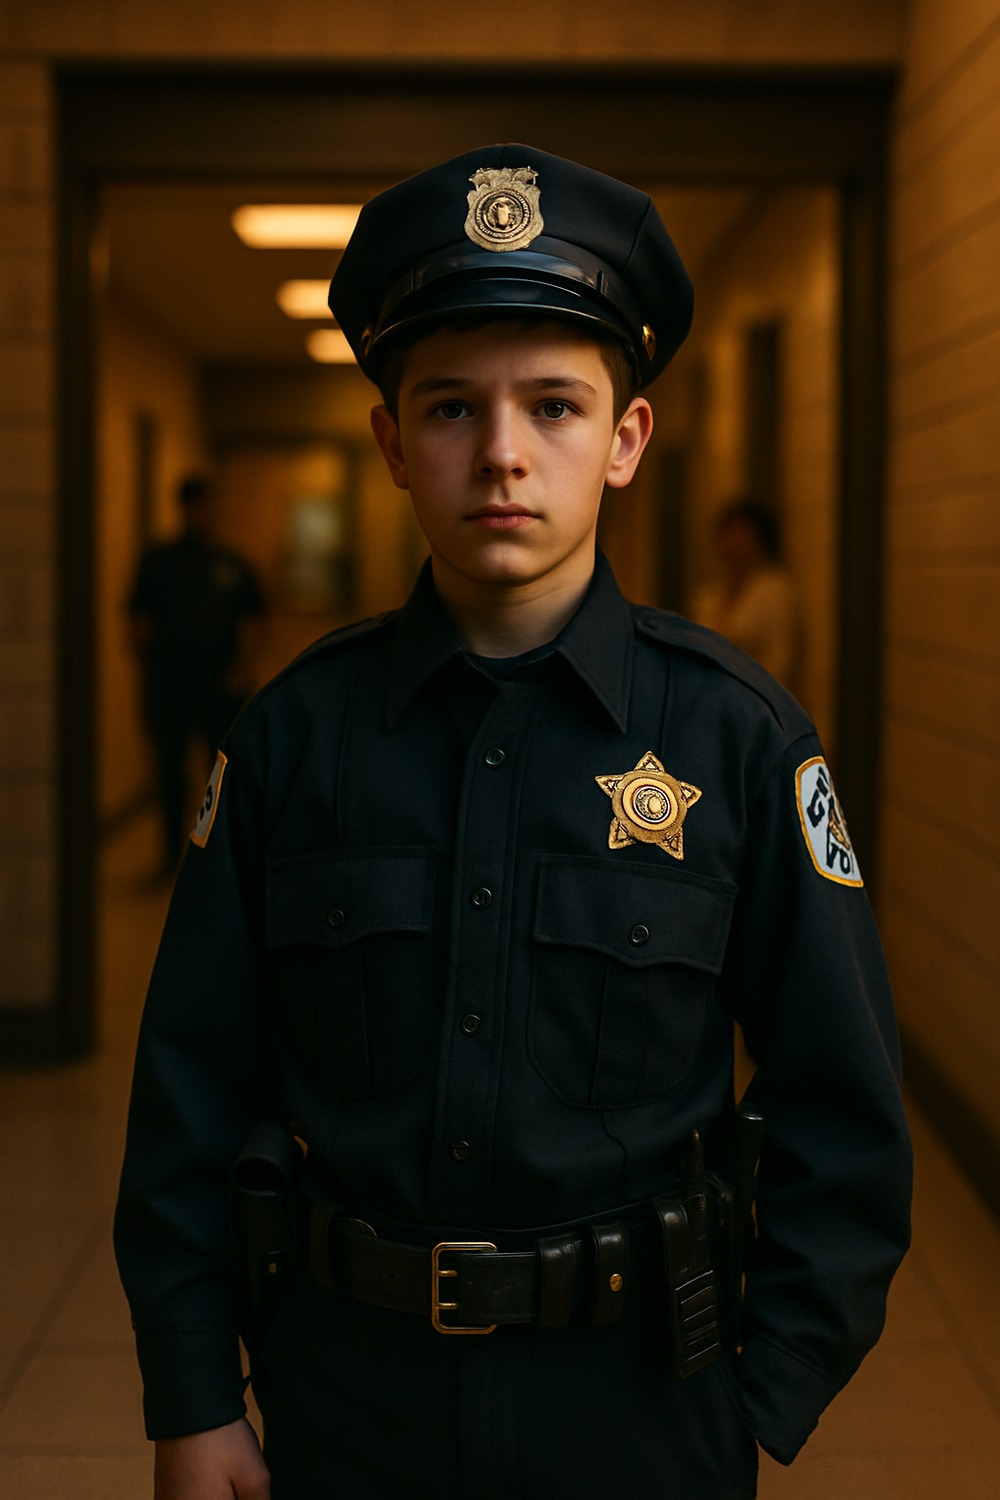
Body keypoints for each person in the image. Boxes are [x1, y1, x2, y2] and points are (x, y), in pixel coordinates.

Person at [114, 145, 911, 1500]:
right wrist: (194, 1396)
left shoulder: (738, 740)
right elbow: (190, 1093)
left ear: (626, 440)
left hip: (643, 1408)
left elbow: (845, 1118)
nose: (500, 454)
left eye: (553, 405)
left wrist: (755, 1397)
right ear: (389, 443)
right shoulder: (293, 737)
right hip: (350, 1399)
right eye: (447, 408)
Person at [127, 474, 266, 877]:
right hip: (170, 686)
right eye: (196, 505)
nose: (202, 514)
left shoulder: (230, 563)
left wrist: (242, 669)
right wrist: (150, 669)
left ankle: (217, 862)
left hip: (221, 688)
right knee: (170, 772)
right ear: (184, 508)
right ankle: (170, 858)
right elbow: (138, 620)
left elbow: (253, 619)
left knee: (220, 776)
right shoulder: (158, 562)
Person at [691, 498, 799, 688]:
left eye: (742, 534)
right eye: (728, 532)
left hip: (759, 694)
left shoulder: (773, 590)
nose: (733, 542)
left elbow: (781, 659)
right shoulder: (712, 593)